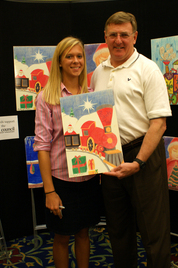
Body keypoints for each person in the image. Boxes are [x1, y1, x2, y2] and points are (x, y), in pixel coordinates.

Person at [90, 11, 172, 268]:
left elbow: (159, 123)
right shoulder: (97, 73)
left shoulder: (148, 69)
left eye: (124, 34)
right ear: (105, 37)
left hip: (143, 155)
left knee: (153, 229)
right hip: (111, 156)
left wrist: (138, 162)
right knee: (118, 227)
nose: (118, 40)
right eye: (112, 35)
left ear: (135, 37)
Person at [34, 37, 101, 268]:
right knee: (62, 237)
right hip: (61, 180)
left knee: (84, 233)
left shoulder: (92, 94)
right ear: (60, 62)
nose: (75, 61)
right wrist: (49, 191)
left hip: (89, 178)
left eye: (79, 56)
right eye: (69, 56)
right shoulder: (47, 97)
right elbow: (42, 146)